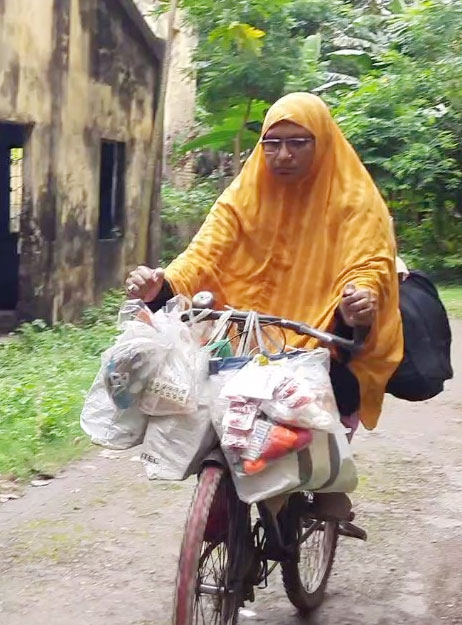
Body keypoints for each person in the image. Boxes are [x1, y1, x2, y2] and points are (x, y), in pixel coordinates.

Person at [126, 92, 404, 522]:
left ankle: (324, 479)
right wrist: (162, 284)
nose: (283, 154)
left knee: (337, 386)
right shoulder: (244, 194)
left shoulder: (354, 200)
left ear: (323, 142)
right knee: (201, 390)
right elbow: (204, 253)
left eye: (298, 142)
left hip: (316, 333)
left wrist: (360, 298)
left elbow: (369, 261)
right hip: (243, 331)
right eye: (272, 143)